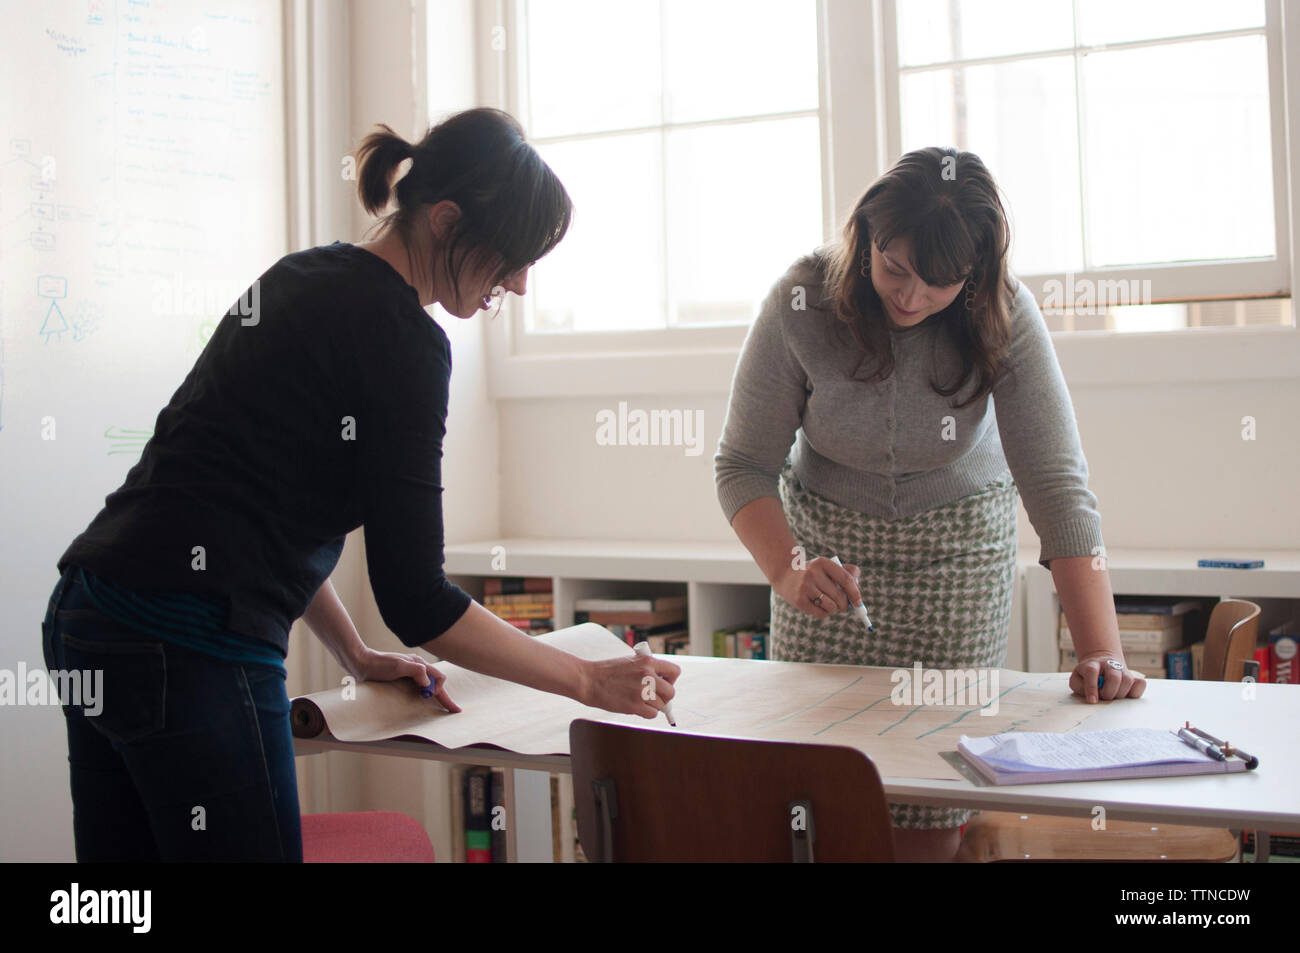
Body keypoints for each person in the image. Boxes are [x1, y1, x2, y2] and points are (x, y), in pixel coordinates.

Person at [40, 107, 679, 862]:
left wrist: (354, 653)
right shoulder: (407, 345)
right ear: (445, 221)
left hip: (91, 613)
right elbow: (418, 600)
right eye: (510, 256)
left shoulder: (301, 277)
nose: (519, 281)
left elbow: (255, 502)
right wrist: (584, 679)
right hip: (189, 642)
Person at [714, 147, 1143, 862]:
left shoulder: (1004, 314)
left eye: (939, 283)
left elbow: (1058, 486)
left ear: (974, 274)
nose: (911, 298)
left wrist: (1102, 649)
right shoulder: (803, 300)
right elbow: (743, 465)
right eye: (895, 270)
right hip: (825, 567)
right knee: (813, 809)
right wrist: (789, 570)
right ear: (865, 240)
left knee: (926, 812)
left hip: (956, 563)